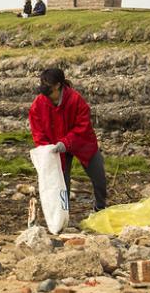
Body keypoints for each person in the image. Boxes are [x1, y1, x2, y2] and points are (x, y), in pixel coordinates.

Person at [27, 68, 106, 211]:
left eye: (47, 84)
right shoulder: (38, 104)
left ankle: (100, 207)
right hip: (56, 147)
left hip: (82, 143)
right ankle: (64, 215)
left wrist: (66, 143)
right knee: (61, 182)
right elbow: (37, 132)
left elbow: (83, 127)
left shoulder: (75, 100)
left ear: (57, 85)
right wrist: (47, 148)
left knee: (98, 175)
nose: (43, 87)